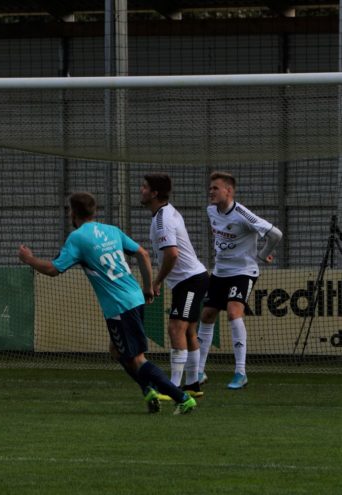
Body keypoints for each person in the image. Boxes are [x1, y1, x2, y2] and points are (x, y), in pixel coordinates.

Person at [18, 192, 197, 414]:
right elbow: (142, 253)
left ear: (72, 213)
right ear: (94, 211)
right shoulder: (110, 230)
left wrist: (29, 259)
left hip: (119, 306)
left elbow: (54, 270)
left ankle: (181, 397)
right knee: (116, 350)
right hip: (134, 297)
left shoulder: (78, 238)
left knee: (138, 359)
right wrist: (148, 286)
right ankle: (148, 390)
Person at [197, 171, 283, 389]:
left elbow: (276, 234)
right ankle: (198, 371)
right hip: (220, 272)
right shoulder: (211, 211)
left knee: (234, 311)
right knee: (207, 315)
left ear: (229, 190)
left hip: (243, 271)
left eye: (215, 188)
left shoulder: (243, 214)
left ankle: (240, 372)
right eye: (210, 188)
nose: (211, 192)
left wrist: (262, 255)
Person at [140, 173, 209, 397]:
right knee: (188, 330)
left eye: (144, 187)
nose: (141, 190)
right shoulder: (166, 212)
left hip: (190, 279)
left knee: (175, 328)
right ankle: (192, 385)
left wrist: (156, 282)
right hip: (191, 278)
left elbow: (172, 254)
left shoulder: (162, 219)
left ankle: (173, 387)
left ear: (155, 193)